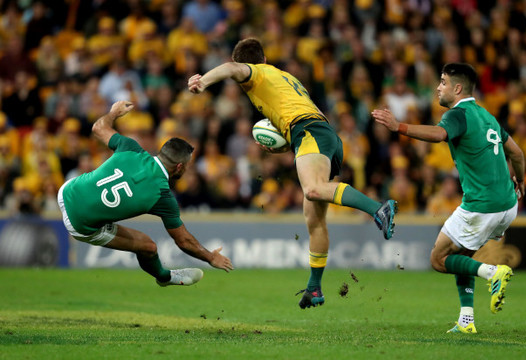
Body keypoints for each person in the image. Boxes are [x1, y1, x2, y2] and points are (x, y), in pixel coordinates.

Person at [187, 38, 398, 309]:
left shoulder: (256, 73)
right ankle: (314, 289)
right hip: (322, 135)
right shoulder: (284, 77)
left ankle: (378, 208)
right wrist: (285, 145)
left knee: (312, 189)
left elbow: (230, 68)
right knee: (314, 218)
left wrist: (202, 81)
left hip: (308, 131)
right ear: (264, 59)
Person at [372, 63, 525, 334]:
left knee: (438, 259)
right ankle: (466, 321)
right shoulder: (487, 116)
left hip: (481, 206)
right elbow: (517, 153)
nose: (437, 88)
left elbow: (439, 134)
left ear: (457, 88)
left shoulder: (459, 114)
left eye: (442, 82)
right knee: (462, 255)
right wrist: (520, 181)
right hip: (508, 206)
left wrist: (399, 127)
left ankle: (493, 273)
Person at [57, 101, 233, 287]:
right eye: (187, 166)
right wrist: (210, 257)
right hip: (79, 223)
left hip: (68, 190)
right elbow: (183, 241)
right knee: (148, 247)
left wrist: (114, 113)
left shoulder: (131, 147)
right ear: (179, 167)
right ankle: (165, 278)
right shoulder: (163, 196)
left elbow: (98, 127)